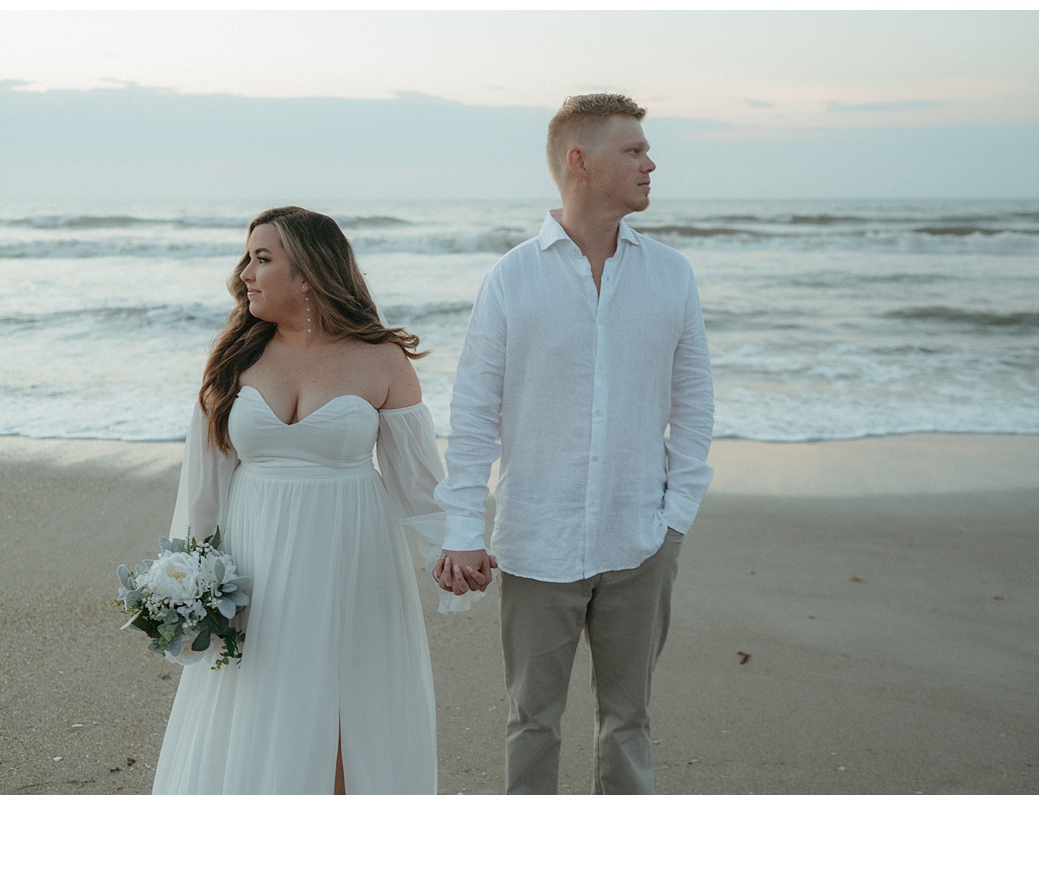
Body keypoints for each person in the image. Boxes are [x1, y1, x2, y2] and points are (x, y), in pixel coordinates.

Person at [152, 206, 488, 795]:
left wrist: (457, 546)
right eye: (247, 258)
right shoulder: (233, 361)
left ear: (307, 272)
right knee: (258, 706)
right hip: (255, 565)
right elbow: (202, 490)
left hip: (350, 561)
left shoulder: (381, 359)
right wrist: (191, 582)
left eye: (262, 258)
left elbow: (418, 481)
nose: (244, 274)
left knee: (343, 715)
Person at [434, 94, 715, 794]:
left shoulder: (671, 275)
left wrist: (674, 519)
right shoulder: (511, 279)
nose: (651, 162)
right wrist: (464, 528)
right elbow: (471, 414)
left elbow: (696, 404)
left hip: (640, 538)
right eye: (634, 149)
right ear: (579, 162)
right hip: (537, 540)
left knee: (630, 717)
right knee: (532, 718)